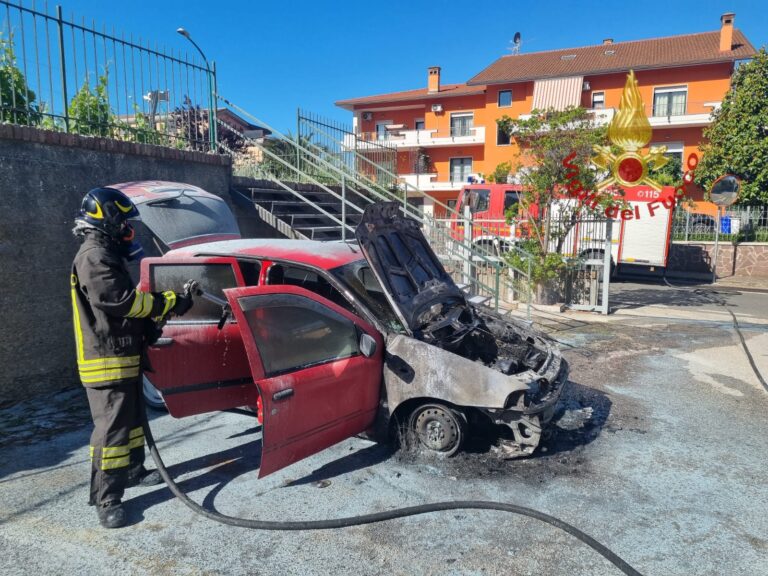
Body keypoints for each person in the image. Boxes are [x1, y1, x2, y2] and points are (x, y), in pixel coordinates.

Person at [70, 186, 193, 529]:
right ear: (108, 220)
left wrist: (160, 314)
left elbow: (127, 308)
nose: (128, 230)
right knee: (112, 431)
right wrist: (169, 301)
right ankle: (106, 498)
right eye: (124, 223)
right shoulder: (94, 257)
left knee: (134, 422)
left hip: (123, 355)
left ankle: (134, 471)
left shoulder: (106, 253)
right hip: (106, 361)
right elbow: (123, 302)